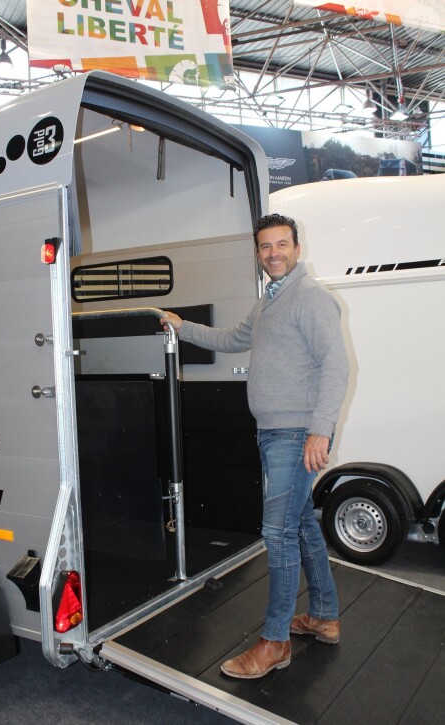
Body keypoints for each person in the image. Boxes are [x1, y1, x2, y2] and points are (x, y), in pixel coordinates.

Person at [160, 213, 349, 679]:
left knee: (278, 534)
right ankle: (324, 616)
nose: (274, 254)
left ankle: (275, 641)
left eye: (282, 244)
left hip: (296, 435)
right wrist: (182, 326)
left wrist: (319, 430)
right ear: (259, 254)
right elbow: (231, 338)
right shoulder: (269, 301)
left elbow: (336, 366)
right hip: (274, 434)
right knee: (300, 524)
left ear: (297, 249)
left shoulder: (310, 298)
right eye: (266, 247)